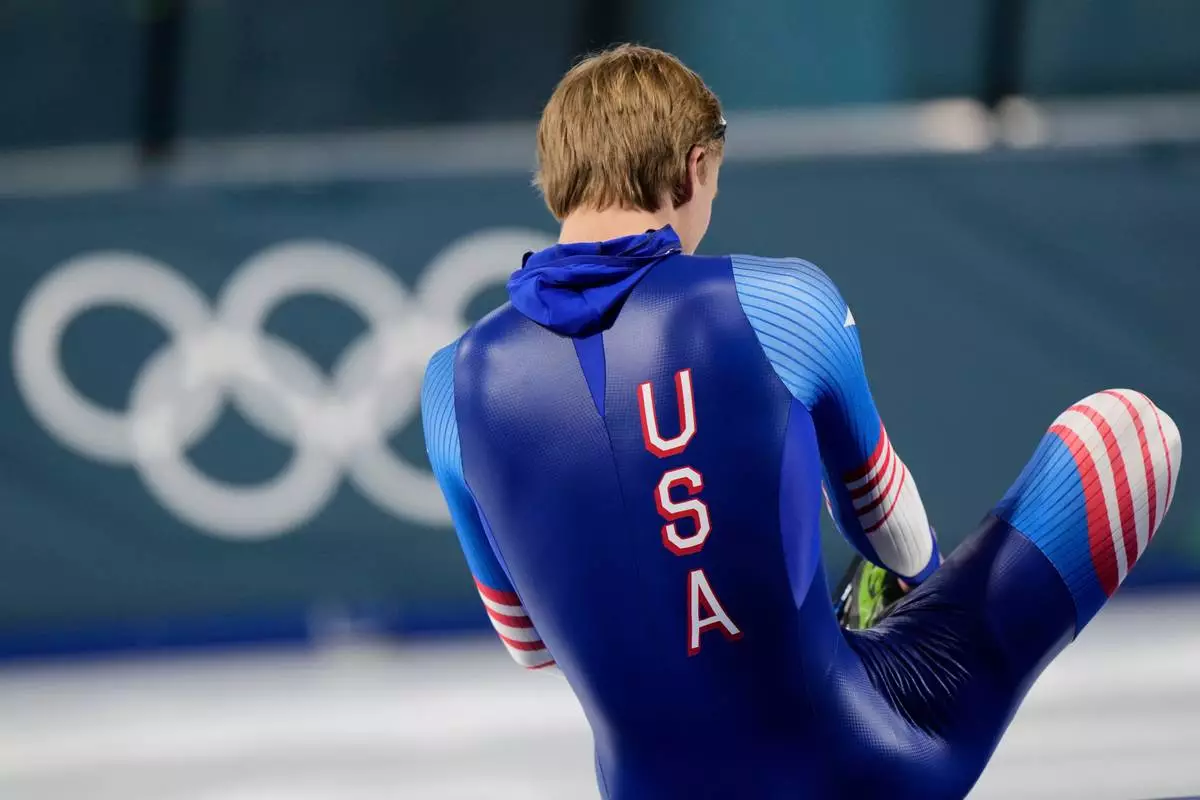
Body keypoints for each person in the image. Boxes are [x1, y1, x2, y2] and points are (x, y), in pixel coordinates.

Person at [421, 44, 1182, 799]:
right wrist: (909, 601)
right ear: (693, 169)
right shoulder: (779, 301)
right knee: (1133, 429)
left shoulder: (450, 383)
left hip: (646, 787)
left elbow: (529, 644)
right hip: (864, 765)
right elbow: (892, 535)